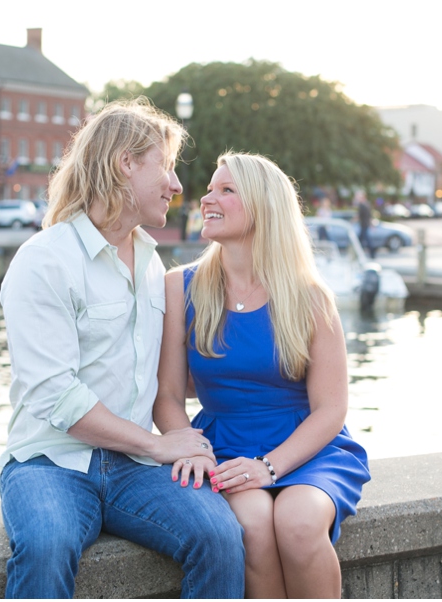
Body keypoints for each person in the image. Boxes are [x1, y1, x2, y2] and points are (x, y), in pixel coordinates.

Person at [0, 99, 245, 599]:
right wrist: (157, 445)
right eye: (167, 167)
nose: (177, 186)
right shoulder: (44, 260)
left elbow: (161, 379)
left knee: (221, 537)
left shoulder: (154, 266)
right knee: (46, 545)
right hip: (50, 460)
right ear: (125, 163)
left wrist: (198, 438)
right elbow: (56, 396)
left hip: (134, 468)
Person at [154, 152, 371, 598]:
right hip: (222, 447)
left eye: (226, 190)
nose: (207, 198)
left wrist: (270, 467)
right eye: (211, 188)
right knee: (251, 525)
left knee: (299, 523)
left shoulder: (311, 296)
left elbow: (331, 409)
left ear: (263, 207)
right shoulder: (180, 287)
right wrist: (193, 450)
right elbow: (168, 397)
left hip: (307, 448)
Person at [355, 190, 374, 257]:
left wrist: (352, 221)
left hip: (364, 225)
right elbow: (370, 216)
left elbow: (359, 216)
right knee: (360, 240)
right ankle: (358, 253)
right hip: (365, 224)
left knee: (365, 239)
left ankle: (371, 251)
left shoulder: (362, 205)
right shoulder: (367, 204)